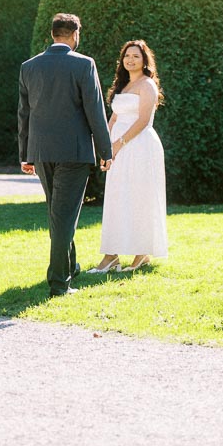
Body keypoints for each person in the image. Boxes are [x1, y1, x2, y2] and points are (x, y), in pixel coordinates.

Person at [18, 12, 113, 297]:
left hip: (40, 150)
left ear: (52, 35)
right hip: (74, 152)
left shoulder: (29, 66)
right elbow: (95, 109)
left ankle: (70, 266)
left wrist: (25, 154)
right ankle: (59, 283)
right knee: (64, 215)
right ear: (75, 35)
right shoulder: (84, 64)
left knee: (57, 213)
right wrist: (105, 150)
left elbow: (24, 114)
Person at [87, 40, 167, 273]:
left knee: (139, 197)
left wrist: (120, 143)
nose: (130, 60)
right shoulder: (122, 86)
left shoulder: (147, 86)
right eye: (127, 56)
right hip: (118, 148)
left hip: (140, 148)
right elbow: (113, 118)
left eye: (136, 56)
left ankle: (141, 254)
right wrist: (106, 148)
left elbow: (143, 121)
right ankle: (111, 256)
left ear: (144, 61)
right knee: (116, 198)